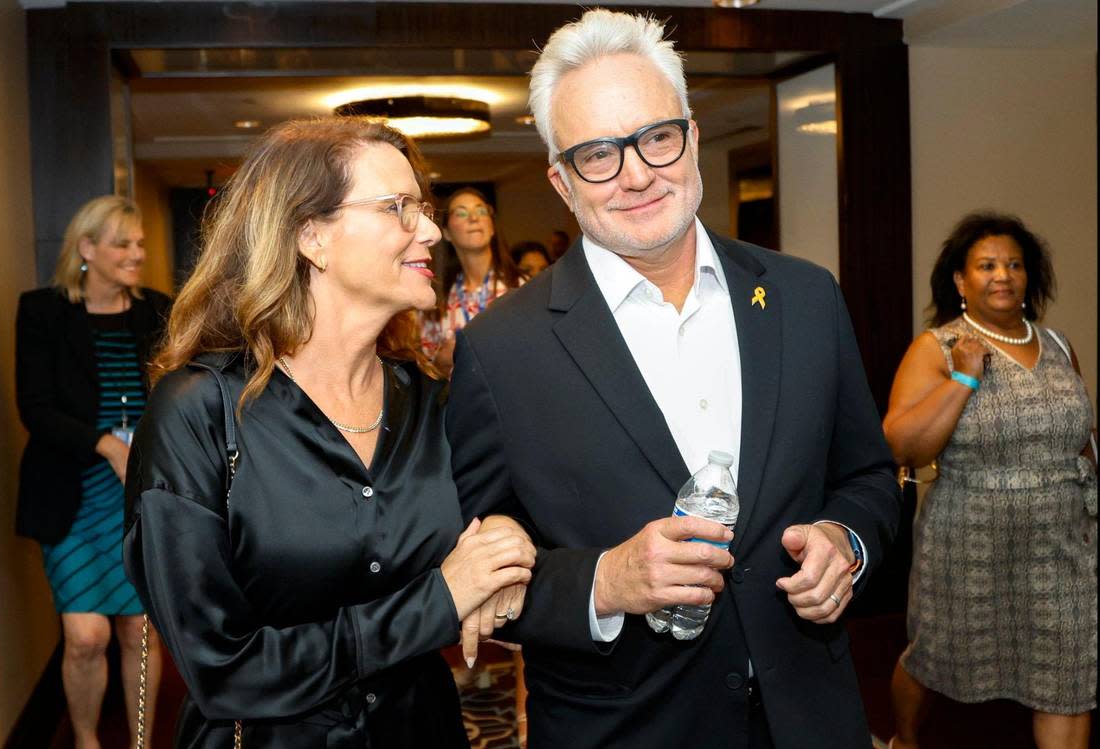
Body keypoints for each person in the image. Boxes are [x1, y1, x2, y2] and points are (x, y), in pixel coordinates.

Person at [444, 10, 901, 749]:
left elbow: (869, 476)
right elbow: (470, 564)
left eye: (656, 137)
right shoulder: (502, 350)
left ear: (690, 133)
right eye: (598, 154)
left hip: (811, 717)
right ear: (562, 182)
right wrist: (604, 581)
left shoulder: (805, 296)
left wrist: (843, 540)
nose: (636, 174)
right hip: (626, 727)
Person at [122, 118, 535, 747]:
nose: (429, 230)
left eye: (423, 208)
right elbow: (224, 671)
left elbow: (506, 511)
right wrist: (439, 600)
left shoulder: (435, 405)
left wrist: (505, 528)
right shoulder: (198, 413)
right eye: (398, 208)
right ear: (310, 235)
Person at [884, 212, 1096, 749]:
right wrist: (963, 377)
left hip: (1062, 540)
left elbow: (1080, 435)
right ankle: (905, 740)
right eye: (986, 265)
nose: (1003, 275)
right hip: (968, 540)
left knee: (1068, 672)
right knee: (933, 656)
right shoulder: (937, 346)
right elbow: (903, 445)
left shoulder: (1058, 344)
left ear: (1030, 277)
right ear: (961, 280)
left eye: (1015, 265)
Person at [15, 195, 169, 749]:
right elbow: (35, 407)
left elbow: (178, 395)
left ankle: (141, 742)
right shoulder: (42, 312)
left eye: (140, 244)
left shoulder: (158, 310)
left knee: (139, 630)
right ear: (86, 248)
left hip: (141, 493)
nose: (136, 253)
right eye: (122, 243)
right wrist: (105, 444)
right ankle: (85, 740)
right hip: (75, 493)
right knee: (85, 634)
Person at [420, 187, 519, 377]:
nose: (474, 218)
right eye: (461, 213)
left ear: (491, 227)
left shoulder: (523, 289)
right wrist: (441, 361)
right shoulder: (435, 301)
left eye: (481, 211)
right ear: (446, 233)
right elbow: (426, 371)